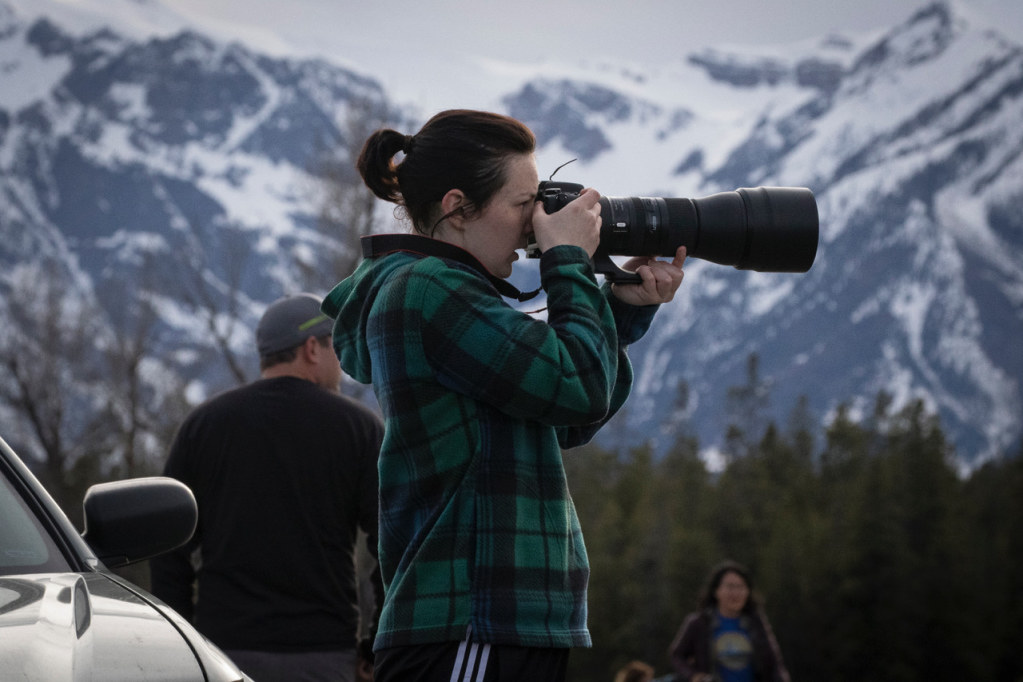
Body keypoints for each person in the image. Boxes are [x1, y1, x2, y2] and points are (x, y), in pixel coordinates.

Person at [320, 109, 688, 682]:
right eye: (523, 205)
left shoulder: (447, 293)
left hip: (496, 619)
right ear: (457, 208)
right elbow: (577, 389)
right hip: (473, 614)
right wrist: (568, 259)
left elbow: (563, 416)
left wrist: (623, 308)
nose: (533, 224)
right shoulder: (427, 290)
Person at [150, 293, 385, 682]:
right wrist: (375, 646)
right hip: (323, 657)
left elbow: (167, 548)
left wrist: (184, 644)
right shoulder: (357, 428)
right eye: (337, 347)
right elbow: (391, 545)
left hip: (222, 655)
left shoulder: (203, 426)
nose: (341, 365)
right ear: (312, 348)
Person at [668, 560, 790, 682]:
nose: (736, 593)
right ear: (716, 591)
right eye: (730, 587)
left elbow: (774, 663)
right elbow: (677, 656)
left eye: (741, 587)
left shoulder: (756, 622)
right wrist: (693, 676)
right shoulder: (699, 623)